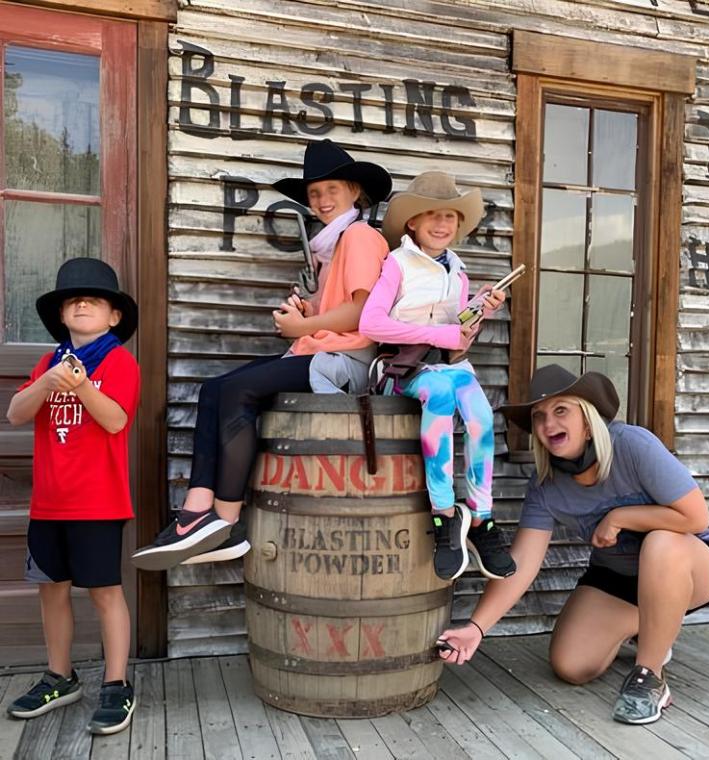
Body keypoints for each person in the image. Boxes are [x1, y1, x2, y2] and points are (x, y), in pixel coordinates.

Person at [132, 138, 391, 569]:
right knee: (215, 389)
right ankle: (197, 510)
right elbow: (337, 310)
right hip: (323, 350)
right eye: (314, 193)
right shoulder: (333, 245)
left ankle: (225, 519)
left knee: (238, 393)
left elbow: (364, 312)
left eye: (332, 190)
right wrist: (308, 312)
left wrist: (301, 326)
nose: (322, 200)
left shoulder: (360, 236)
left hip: (347, 363)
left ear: (354, 192)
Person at [436, 364, 709, 725]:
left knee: (661, 543)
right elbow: (523, 562)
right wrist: (476, 627)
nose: (548, 423)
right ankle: (650, 626)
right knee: (570, 665)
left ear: (588, 419)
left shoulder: (632, 446)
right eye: (539, 416)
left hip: (690, 565)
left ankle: (650, 676)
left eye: (561, 410)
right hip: (618, 580)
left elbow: (695, 518)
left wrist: (620, 518)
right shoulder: (546, 487)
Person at [5, 258, 141, 735]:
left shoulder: (120, 362)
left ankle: (117, 682)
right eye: (72, 300)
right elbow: (17, 413)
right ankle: (60, 676)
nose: (82, 303)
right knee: (52, 590)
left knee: (105, 592)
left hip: (98, 503)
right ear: (62, 315)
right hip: (49, 503)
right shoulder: (48, 362)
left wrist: (81, 386)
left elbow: (116, 420)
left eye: (95, 299)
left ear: (113, 316)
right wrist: (46, 382)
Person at [359, 171, 516, 582]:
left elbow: (457, 342)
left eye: (449, 216)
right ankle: (444, 515)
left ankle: (481, 519)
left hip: (448, 364)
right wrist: (437, 333)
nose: (442, 223)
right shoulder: (397, 264)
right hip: (406, 368)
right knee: (443, 394)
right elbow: (371, 323)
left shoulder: (458, 272)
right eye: (432, 214)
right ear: (413, 221)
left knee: (482, 415)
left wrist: (479, 311)